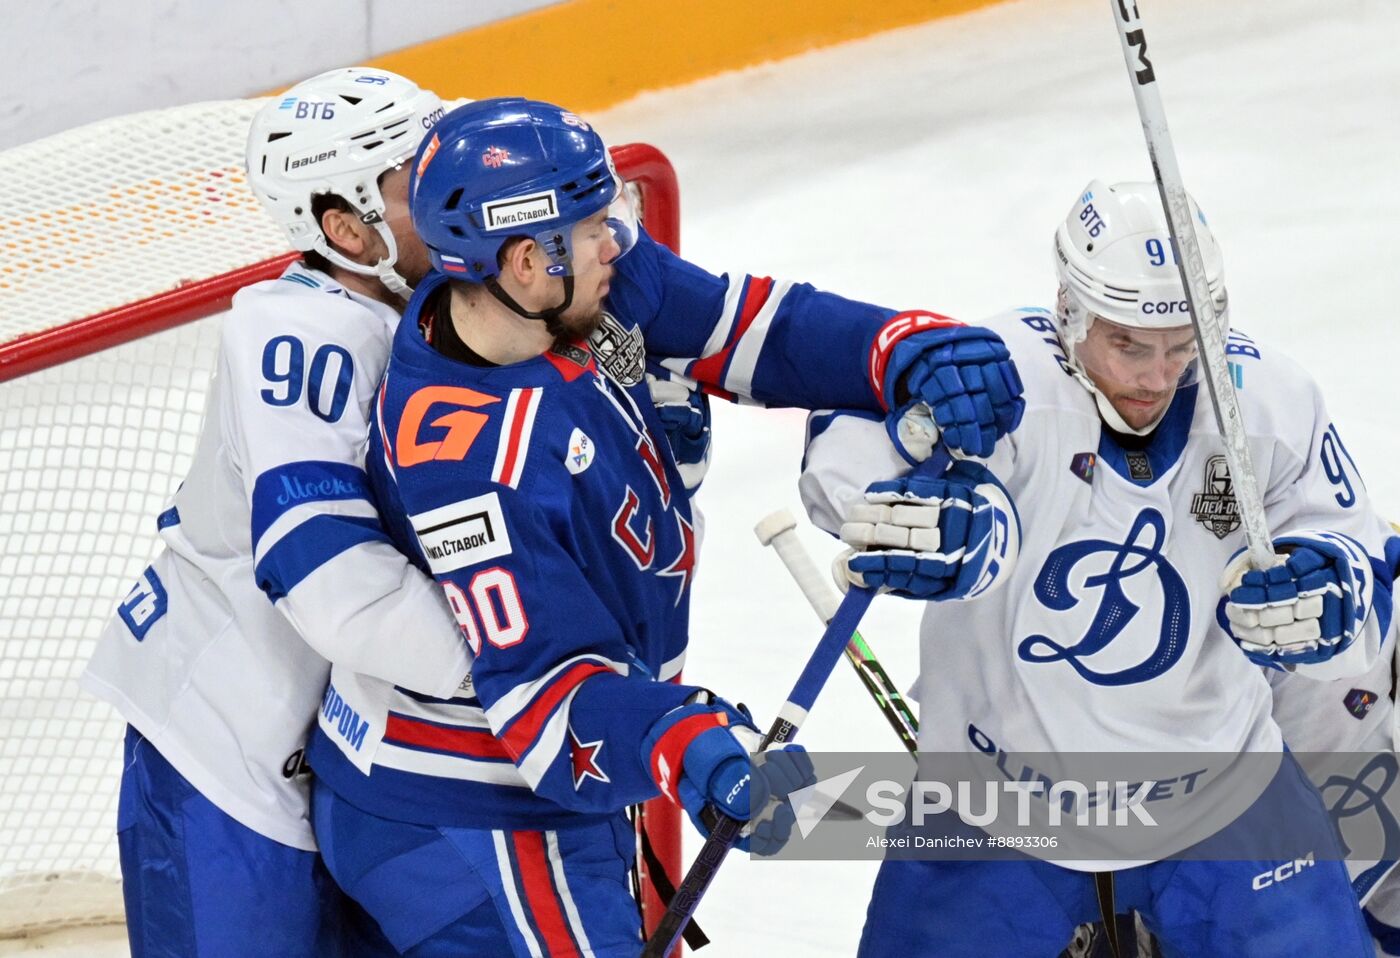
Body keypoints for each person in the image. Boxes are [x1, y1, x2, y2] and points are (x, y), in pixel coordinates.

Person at [305, 96, 1028, 956]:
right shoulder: (476, 473)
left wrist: (900, 348)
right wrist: (687, 740)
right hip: (481, 814)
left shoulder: (540, 296)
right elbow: (545, 703)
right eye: (590, 228)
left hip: (514, 782)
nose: (615, 241)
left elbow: (738, 327)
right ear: (526, 258)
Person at [800, 179, 1398, 956]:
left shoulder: (1267, 401)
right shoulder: (1001, 373)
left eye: (1183, 347)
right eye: (1129, 346)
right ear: (1070, 311)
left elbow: (1352, 550)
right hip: (993, 803)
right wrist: (906, 512)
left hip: (1225, 792)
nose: (1157, 377)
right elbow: (840, 437)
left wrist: (1330, 592)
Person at [80, 67, 472, 957]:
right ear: (344, 228)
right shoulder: (298, 334)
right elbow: (337, 586)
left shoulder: (440, 302)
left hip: (361, 748)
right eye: (418, 185)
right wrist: (524, 669)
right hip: (229, 751)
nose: (458, 194)